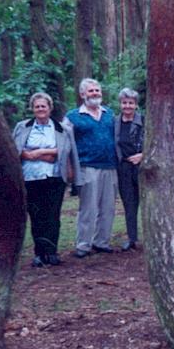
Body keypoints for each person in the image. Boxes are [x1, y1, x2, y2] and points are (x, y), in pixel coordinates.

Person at [14, 92, 80, 267]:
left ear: (50, 108)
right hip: (30, 178)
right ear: (32, 109)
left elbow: (66, 150)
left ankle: (51, 252)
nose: (40, 109)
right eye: (37, 106)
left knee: (52, 215)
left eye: (44, 106)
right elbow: (14, 149)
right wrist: (28, 154)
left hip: (54, 177)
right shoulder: (23, 127)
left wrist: (40, 153)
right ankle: (39, 253)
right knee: (36, 216)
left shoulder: (62, 129)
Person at [63, 78, 118, 258]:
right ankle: (83, 244)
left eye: (97, 90)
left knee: (108, 207)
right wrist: (70, 168)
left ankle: (101, 241)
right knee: (88, 207)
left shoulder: (109, 113)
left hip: (110, 166)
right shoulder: (72, 117)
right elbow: (65, 145)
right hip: (87, 167)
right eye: (91, 91)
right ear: (82, 94)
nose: (95, 93)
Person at [113, 88, 145, 251]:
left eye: (131, 103)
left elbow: (155, 143)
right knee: (129, 204)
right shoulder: (115, 122)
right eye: (124, 103)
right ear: (120, 104)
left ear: (136, 105)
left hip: (142, 167)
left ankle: (151, 236)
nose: (127, 106)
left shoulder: (144, 121)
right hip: (123, 167)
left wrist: (143, 155)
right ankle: (132, 238)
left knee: (147, 203)